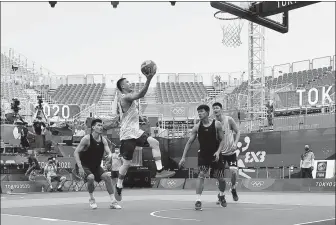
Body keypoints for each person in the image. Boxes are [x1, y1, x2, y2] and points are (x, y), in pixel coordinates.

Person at [115, 75, 175, 201]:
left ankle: (159, 170)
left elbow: (128, 114)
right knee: (126, 164)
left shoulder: (129, 100)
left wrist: (140, 118)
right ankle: (119, 185)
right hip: (127, 135)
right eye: (127, 82)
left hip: (136, 132)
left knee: (155, 143)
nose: (130, 83)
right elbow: (141, 94)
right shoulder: (126, 97)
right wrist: (148, 79)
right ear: (122, 86)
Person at [179, 104, 225, 210]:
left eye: (202, 111)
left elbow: (222, 140)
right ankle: (198, 200)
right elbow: (189, 142)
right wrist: (183, 157)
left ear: (208, 113)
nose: (199, 113)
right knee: (201, 175)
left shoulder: (217, 124)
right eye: (198, 112)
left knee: (221, 178)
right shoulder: (197, 127)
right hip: (203, 155)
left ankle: (221, 195)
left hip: (215, 155)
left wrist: (218, 152)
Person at [74, 119, 121, 209]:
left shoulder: (103, 140)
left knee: (107, 177)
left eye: (101, 125)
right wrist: (80, 167)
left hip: (96, 166)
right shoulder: (87, 139)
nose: (101, 127)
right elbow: (76, 152)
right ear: (93, 127)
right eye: (98, 125)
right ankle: (92, 199)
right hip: (84, 166)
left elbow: (109, 152)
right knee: (91, 178)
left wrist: (110, 155)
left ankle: (113, 202)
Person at [212, 102, 240, 203]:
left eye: (217, 108)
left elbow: (238, 131)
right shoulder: (213, 123)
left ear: (221, 109)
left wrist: (235, 143)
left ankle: (233, 188)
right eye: (214, 108)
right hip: (221, 154)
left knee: (234, 172)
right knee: (220, 177)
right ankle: (221, 195)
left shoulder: (229, 120)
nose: (215, 110)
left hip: (231, 153)